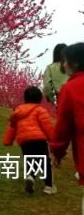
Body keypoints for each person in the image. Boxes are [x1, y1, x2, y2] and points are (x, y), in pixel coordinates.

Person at [2, 86, 56, 194]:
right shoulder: (40, 110)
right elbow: (47, 126)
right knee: (44, 162)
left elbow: (12, 127)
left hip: (24, 141)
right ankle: (48, 186)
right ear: (40, 98)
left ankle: (30, 177)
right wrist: (53, 139)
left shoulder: (18, 111)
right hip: (39, 140)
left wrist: (7, 140)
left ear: (25, 98)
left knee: (30, 160)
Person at [51, 43, 84, 210]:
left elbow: (64, 128)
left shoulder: (71, 88)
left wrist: (57, 152)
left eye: (65, 61)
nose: (63, 64)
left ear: (75, 63)